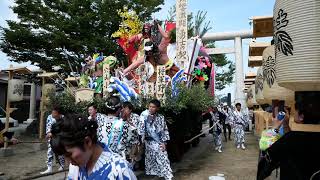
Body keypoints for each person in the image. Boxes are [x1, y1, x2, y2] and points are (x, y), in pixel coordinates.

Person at [50, 114, 136, 179]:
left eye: (69, 155)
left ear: (87, 141)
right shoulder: (76, 166)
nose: (68, 161)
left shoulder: (119, 170)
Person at [140, 99, 173, 180]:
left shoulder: (161, 117)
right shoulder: (143, 116)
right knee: (152, 161)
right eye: (150, 106)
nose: (151, 108)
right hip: (148, 143)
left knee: (163, 158)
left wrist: (164, 142)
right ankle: (159, 176)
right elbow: (140, 130)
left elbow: (165, 130)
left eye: (153, 107)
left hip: (159, 142)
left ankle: (168, 176)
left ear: (157, 108)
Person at [40, 107, 65, 174]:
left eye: (54, 113)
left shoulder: (63, 118)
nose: (53, 114)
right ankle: (49, 167)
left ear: (58, 113)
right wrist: (48, 133)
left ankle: (62, 165)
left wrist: (55, 134)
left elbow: (64, 129)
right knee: (50, 151)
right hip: (51, 138)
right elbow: (48, 127)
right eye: (52, 112)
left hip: (60, 138)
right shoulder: (49, 117)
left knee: (60, 152)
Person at [121, 102, 144, 169]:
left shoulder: (136, 117)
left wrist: (127, 121)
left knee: (133, 159)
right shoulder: (120, 116)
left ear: (130, 110)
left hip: (134, 142)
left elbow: (137, 129)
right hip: (124, 141)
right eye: (122, 108)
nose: (123, 110)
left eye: (125, 108)